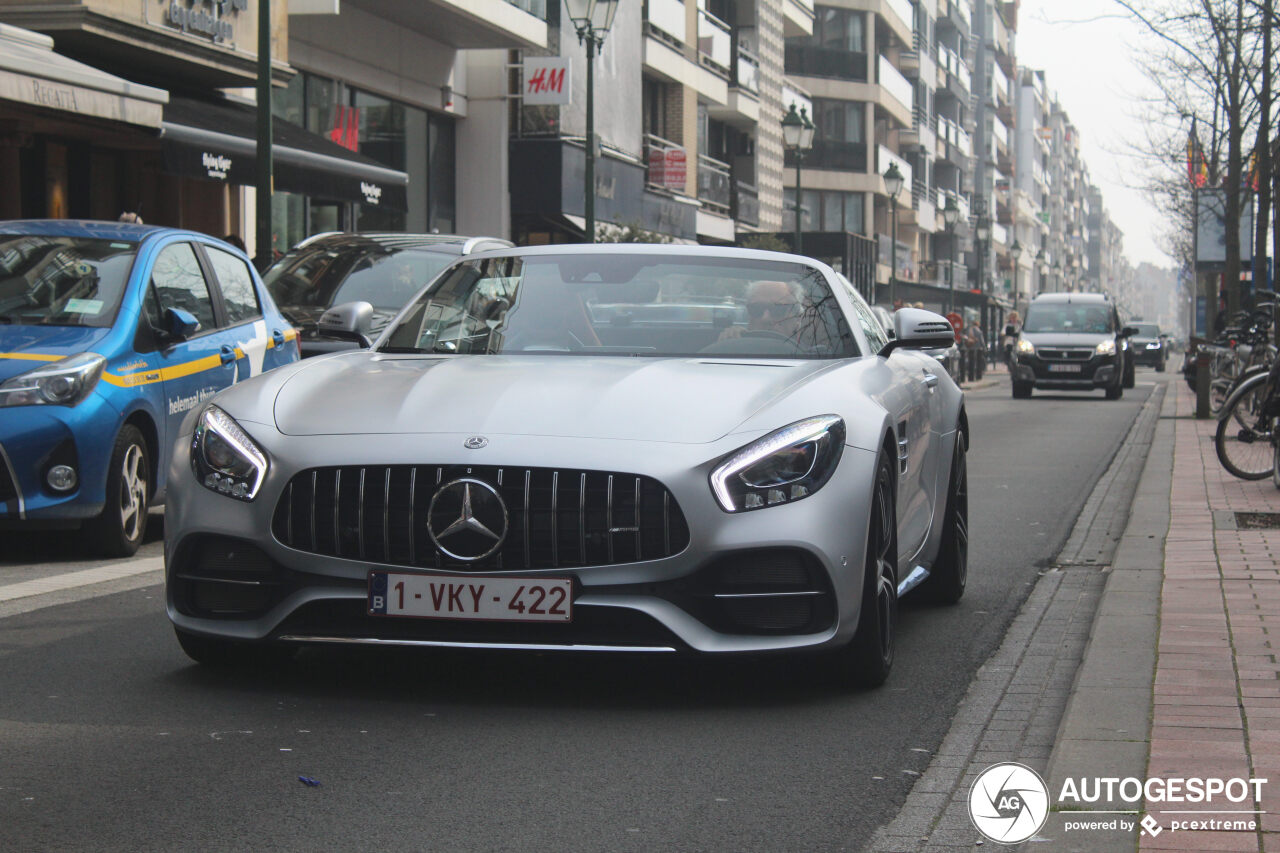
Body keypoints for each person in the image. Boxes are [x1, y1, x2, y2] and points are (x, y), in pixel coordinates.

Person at [720, 280, 803, 342]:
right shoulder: (735, 342)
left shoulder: (812, 355)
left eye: (778, 309)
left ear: (798, 317)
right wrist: (729, 342)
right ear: (748, 315)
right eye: (757, 309)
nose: (765, 318)